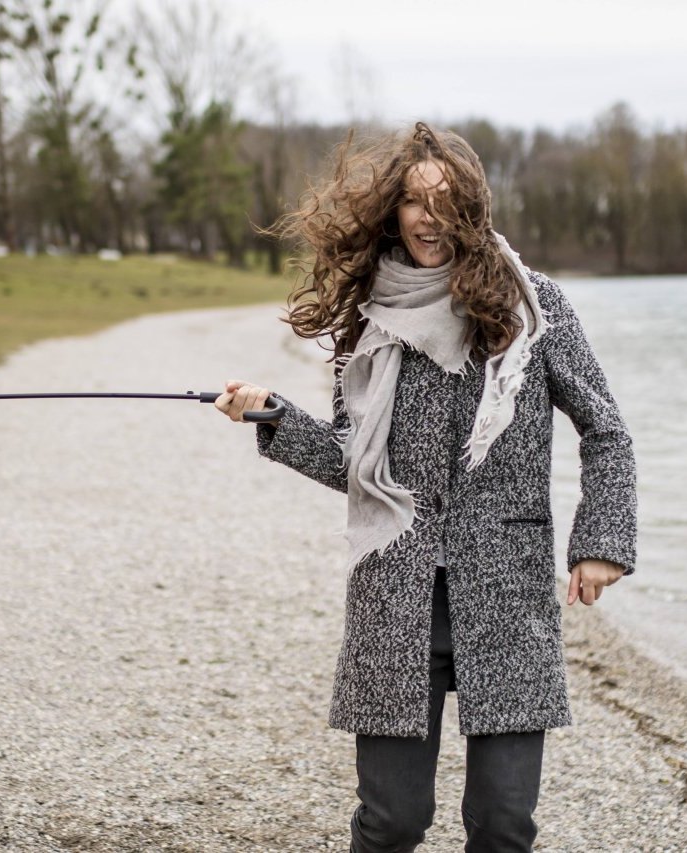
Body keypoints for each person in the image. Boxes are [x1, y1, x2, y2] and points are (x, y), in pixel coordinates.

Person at [215, 122, 636, 853]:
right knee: (392, 823)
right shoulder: (370, 318)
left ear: (471, 210)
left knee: (504, 825)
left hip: (506, 598)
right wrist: (274, 415)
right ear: (393, 210)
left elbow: (606, 430)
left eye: (445, 201)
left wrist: (600, 543)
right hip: (395, 595)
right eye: (412, 200)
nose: (427, 217)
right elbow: (356, 457)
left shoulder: (534, 308)